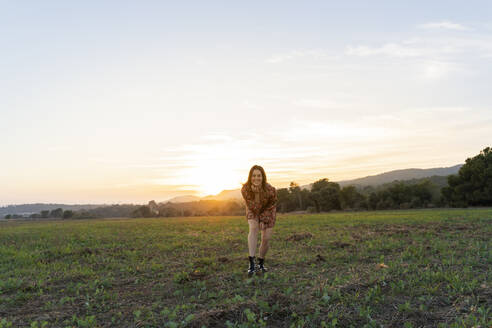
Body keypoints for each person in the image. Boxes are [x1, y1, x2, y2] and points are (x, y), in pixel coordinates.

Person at [240, 165, 278, 276]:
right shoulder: (245, 189)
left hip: (269, 211)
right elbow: (253, 207)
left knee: (266, 238)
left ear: (263, 177)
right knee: (253, 227)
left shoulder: (270, 190)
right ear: (250, 177)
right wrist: (256, 194)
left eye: (259, 176)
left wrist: (264, 219)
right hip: (253, 209)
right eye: (254, 176)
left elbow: (272, 204)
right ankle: (251, 263)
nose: (256, 178)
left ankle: (260, 263)